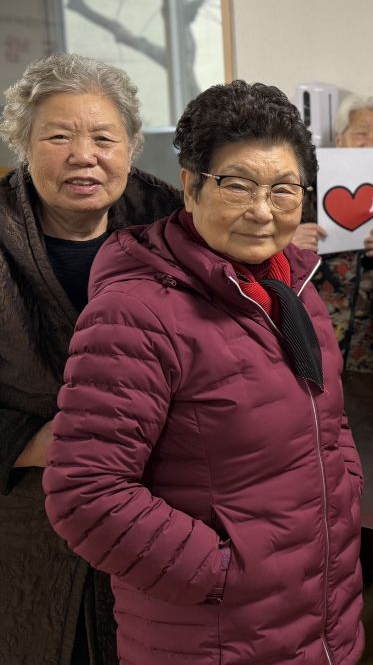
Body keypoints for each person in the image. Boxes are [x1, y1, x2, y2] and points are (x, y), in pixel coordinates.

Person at [42, 80, 364, 664]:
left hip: (319, 620)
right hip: (213, 637)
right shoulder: (137, 312)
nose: (262, 211)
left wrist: (344, 491)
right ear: (190, 187)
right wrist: (223, 571)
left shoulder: (293, 287)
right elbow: (85, 494)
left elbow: (330, 421)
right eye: (238, 185)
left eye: (284, 189)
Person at [0, 54, 181, 665]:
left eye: (104, 137)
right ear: (23, 145)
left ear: (131, 146)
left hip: (159, 511)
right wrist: (57, 441)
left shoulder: (173, 225)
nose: (85, 155)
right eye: (57, 136)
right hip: (25, 515)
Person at [293, 94, 373, 373]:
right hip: (309, 343)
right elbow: (257, 257)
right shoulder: (301, 194)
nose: (371, 142)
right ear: (339, 140)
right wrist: (288, 245)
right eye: (361, 133)